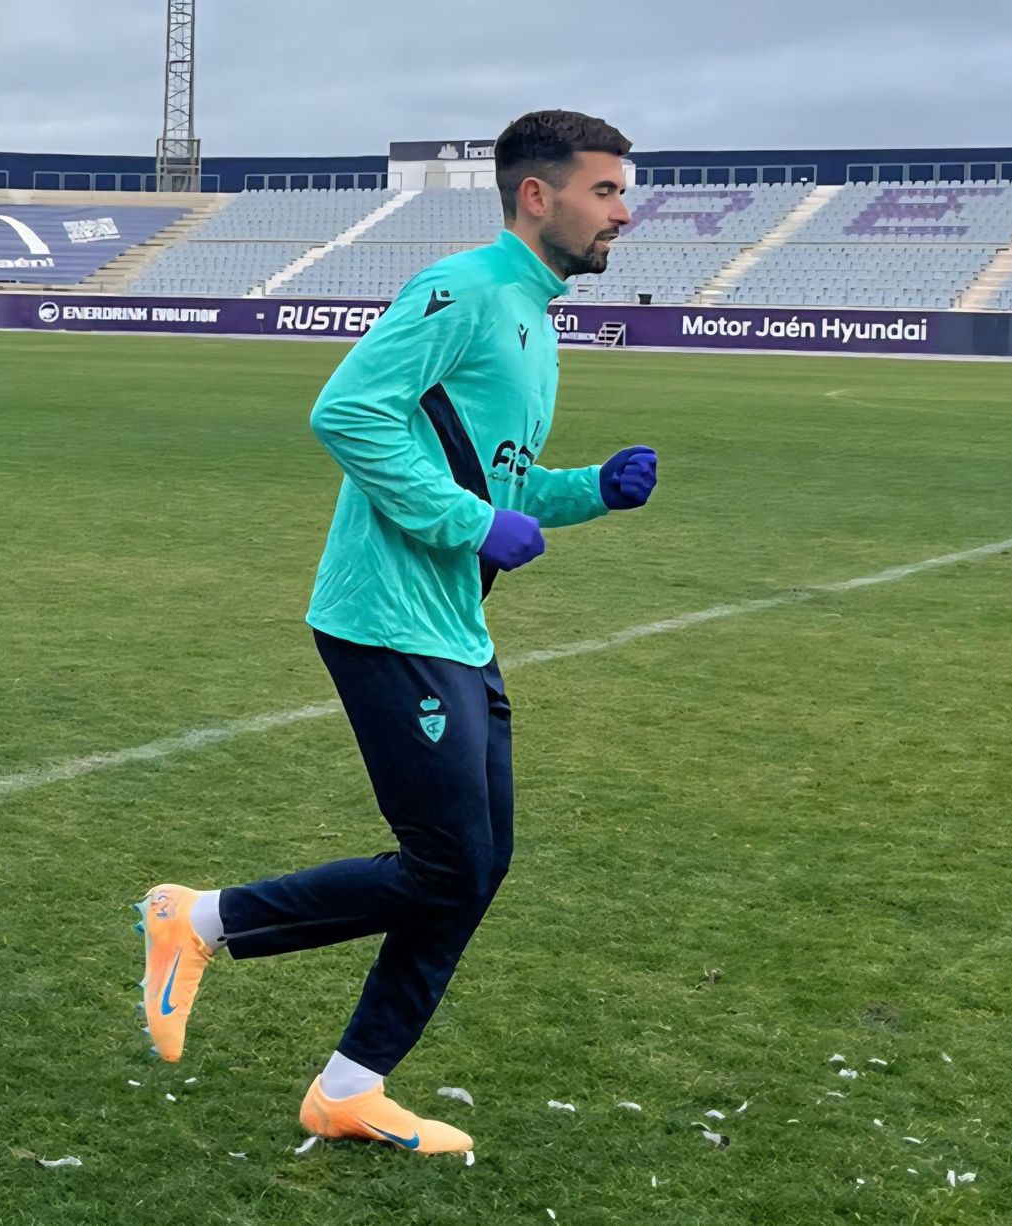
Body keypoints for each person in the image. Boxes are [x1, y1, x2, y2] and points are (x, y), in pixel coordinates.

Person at [133, 109, 659, 1155]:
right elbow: (350, 409)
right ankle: (194, 922)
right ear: (536, 196)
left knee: (477, 861)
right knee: (446, 862)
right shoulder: (465, 288)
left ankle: (348, 1086)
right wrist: (470, 523)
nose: (622, 211)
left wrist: (588, 491)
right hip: (383, 617)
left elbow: (496, 483)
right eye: (605, 191)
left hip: (453, 623)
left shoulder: (533, 313)